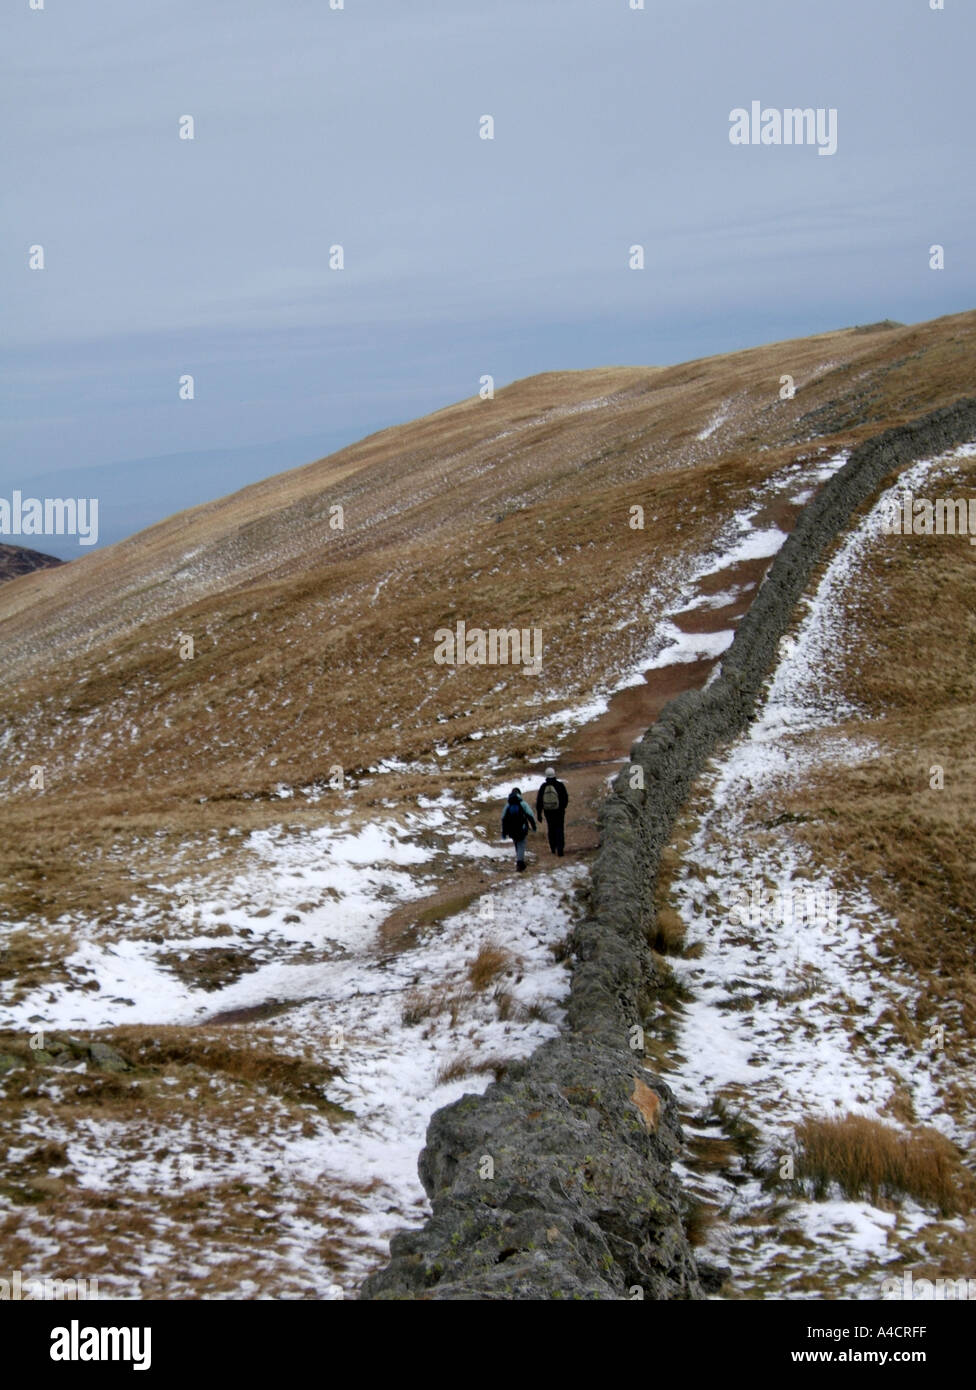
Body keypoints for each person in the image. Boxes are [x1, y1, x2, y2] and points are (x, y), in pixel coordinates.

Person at [500, 787, 536, 872]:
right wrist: (533, 826)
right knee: (521, 844)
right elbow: (530, 815)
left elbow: (503, 819)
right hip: (522, 828)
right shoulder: (523, 804)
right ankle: (520, 863)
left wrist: (504, 832)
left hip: (511, 829)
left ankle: (519, 859)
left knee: (516, 842)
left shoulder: (508, 805)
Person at [535, 766, 569, 856]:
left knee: (551, 829)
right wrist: (563, 807)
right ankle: (560, 849)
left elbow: (539, 801)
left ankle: (553, 847)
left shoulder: (543, 787)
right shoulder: (560, 785)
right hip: (559, 812)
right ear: (554, 775)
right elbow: (565, 798)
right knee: (559, 829)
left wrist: (539, 814)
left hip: (548, 812)